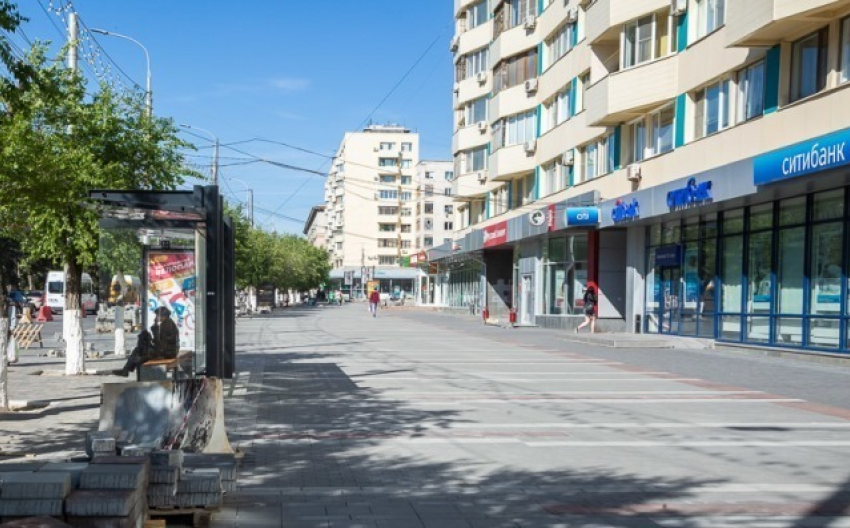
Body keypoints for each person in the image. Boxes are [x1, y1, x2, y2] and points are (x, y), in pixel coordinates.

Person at [113, 306, 179, 377]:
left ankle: (128, 370)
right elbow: (161, 341)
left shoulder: (167, 325)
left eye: (157, 315)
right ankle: (126, 370)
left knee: (139, 354)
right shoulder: (167, 323)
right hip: (166, 351)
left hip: (167, 353)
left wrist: (155, 329)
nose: (156, 316)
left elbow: (161, 343)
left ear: (162, 315)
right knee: (139, 349)